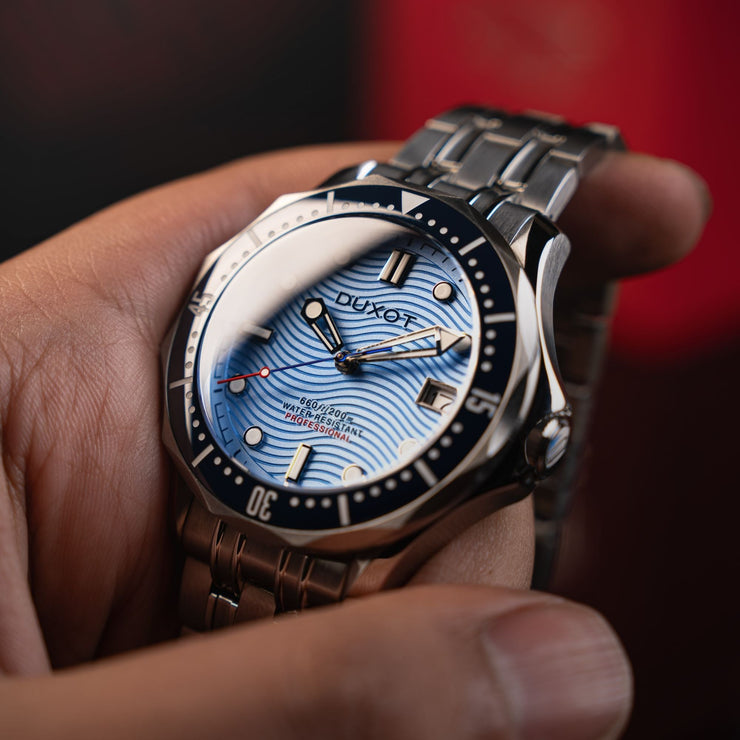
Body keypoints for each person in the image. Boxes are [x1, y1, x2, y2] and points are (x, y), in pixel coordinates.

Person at [0, 140, 710, 739]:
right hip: (235, 488)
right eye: (340, 352)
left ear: (542, 428)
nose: (344, 363)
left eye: (347, 361)